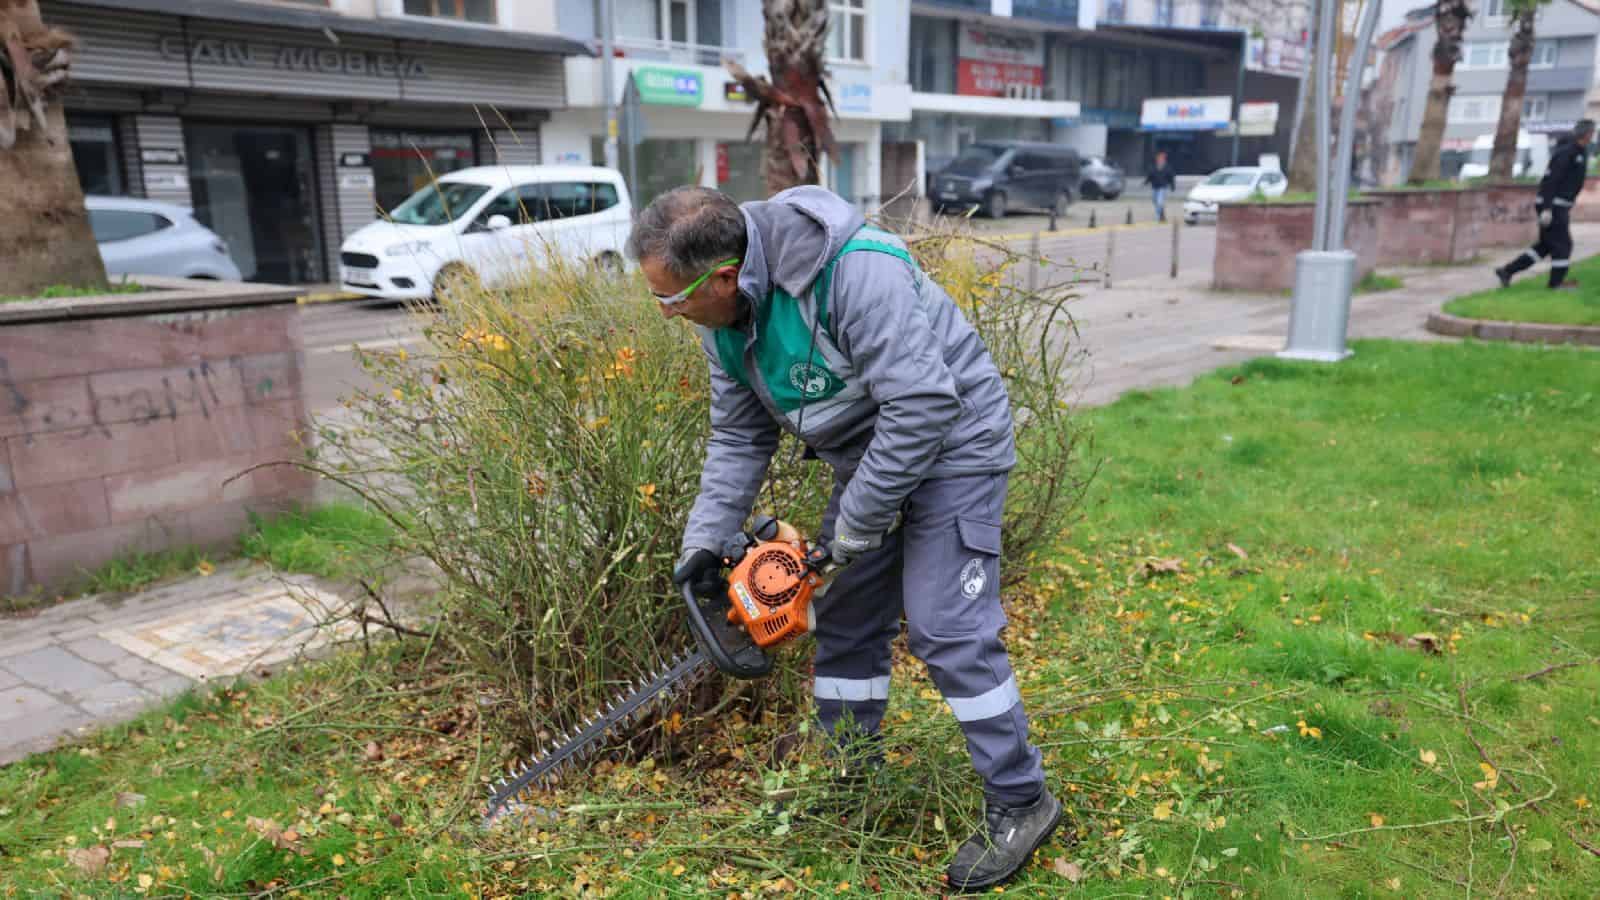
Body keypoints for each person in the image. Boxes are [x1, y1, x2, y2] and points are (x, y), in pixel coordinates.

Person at [628, 185, 1062, 891]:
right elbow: (739, 434)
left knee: (947, 627)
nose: (667, 314)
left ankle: (1022, 799)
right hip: (870, 461)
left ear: (724, 277)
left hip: (955, 445)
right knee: (848, 620)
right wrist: (703, 545)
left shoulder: (857, 271)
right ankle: (848, 775)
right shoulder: (725, 326)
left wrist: (851, 530)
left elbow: (922, 405)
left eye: (671, 300)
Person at [1495, 119, 1594, 291]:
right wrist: (1547, 208)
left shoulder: (1580, 151)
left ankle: (1507, 271)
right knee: (1563, 245)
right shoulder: (1566, 152)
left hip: (1559, 205)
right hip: (1553, 206)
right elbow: (1551, 180)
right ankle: (1556, 284)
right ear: (1587, 134)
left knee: (1545, 246)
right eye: (1592, 133)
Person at [1146, 151, 1176, 223]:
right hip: (1154, 186)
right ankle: (1162, 212)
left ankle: (1158, 216)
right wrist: (1146, 182)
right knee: (1155, 201)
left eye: (1162, 158)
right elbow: (1150, 175)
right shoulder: (1153, 166)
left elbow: (1171, 177)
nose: (1160, 159)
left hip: (1162, 187)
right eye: (1159, 158)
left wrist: (1172, 186)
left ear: (1164, 159)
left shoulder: (1167, 167)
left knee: (1159, 202)